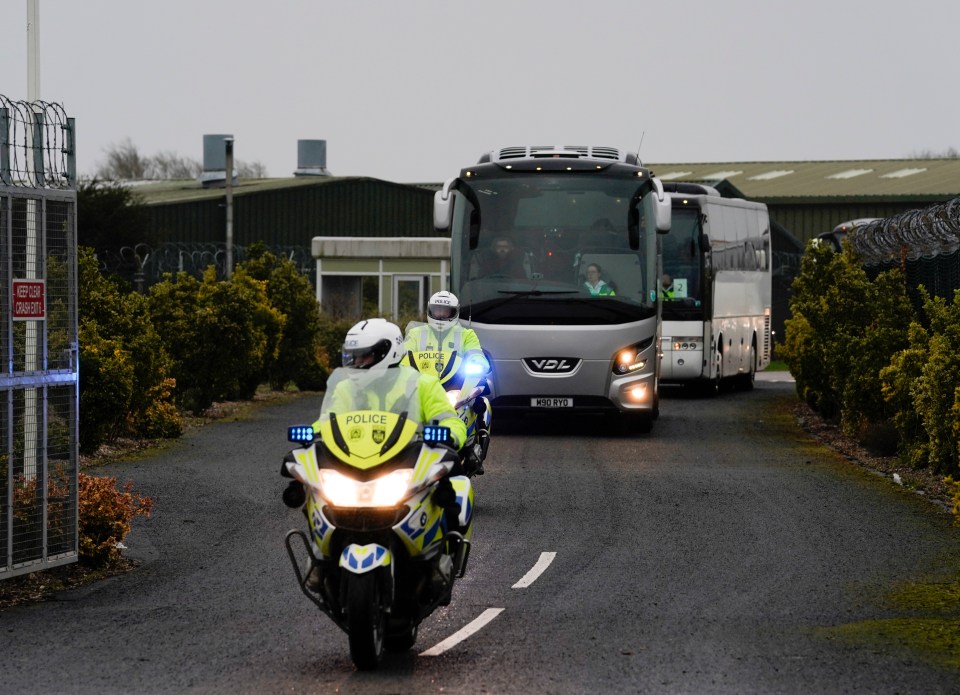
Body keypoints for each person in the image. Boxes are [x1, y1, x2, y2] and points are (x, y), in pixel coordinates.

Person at [403, 291, 491, 473]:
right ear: (430, 311)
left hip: (455, 383)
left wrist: (478, 363)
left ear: (455, 312)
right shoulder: (416, 333)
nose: (441, 315)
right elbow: (403, 354)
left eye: (446, 311)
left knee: (480, 402)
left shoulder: (466, 334)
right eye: (437, 311)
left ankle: (477, 445)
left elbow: (476, 353)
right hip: (422, 385)